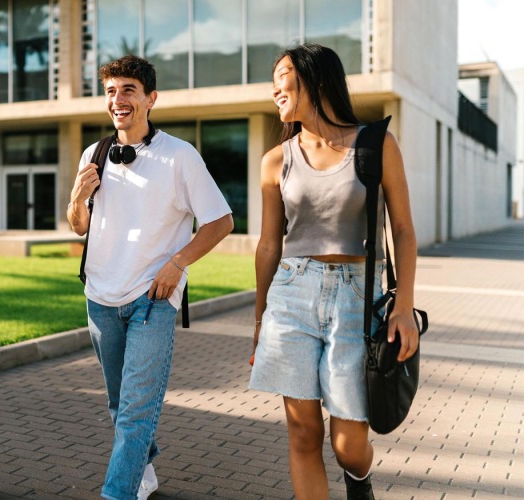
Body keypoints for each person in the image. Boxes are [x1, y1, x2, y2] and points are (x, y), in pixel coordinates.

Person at [249, 43, 419, 500]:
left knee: (348, 445)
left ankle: (359, 482)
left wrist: (403, 308)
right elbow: (269, 244)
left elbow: (402, 229)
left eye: (281, 76)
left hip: (356, 297)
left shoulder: (376, 143)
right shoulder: (276, 160)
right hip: (291, 295)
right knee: (303, 433)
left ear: (314, 78)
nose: (274, 90)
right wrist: (260, 317)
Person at [68, 55, 233, 500]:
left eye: (128, 90)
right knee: (120, 404)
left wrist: (178, 263)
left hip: (151, 300)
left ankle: (117, 492)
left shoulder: (180, 156)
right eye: (110, 91)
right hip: (100, 296)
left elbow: (220, 221)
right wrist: (79, 196)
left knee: (137, 411)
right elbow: (78, 225)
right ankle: (141, 466)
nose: (117, 100)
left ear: (150, 98)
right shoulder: (94, 153)